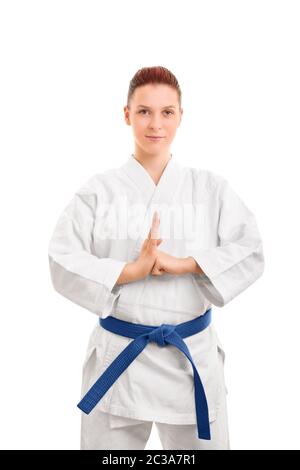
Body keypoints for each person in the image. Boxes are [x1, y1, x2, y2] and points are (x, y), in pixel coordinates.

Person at [48, 65, 264, 450]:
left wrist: (185, 264)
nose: (155, 123)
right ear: (127, 114)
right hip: (120, 361)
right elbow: (62, 258)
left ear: (181, 116)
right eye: (144, 111)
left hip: (189, 358)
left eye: (167, 112)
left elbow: (251, 250)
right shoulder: (99, 192)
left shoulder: (210, 188)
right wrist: (131, 271)